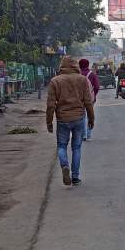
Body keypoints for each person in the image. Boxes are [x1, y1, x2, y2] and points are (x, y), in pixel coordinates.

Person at [46, 55, 96, 186]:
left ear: (61, 66)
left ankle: (64, 166)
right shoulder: (82, 80)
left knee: (62, 146)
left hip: (62, 118)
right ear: (75, 65)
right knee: (76, 148)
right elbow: (88, 102)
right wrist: (91, 118)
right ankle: (75, 177)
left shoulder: (55, 81)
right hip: (79, 117)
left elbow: (51, 105)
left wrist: (49, 121)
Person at [78, 58, 99, 141]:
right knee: (89, 115)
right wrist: (93, 94)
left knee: (82, 116)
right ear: (88, 65)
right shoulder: (92, 74)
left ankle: (83, 135)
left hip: (79, 98)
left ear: (79, 65)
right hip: (90, 98)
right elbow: (97, 87)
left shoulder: (77, 75)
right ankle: (89, 134)